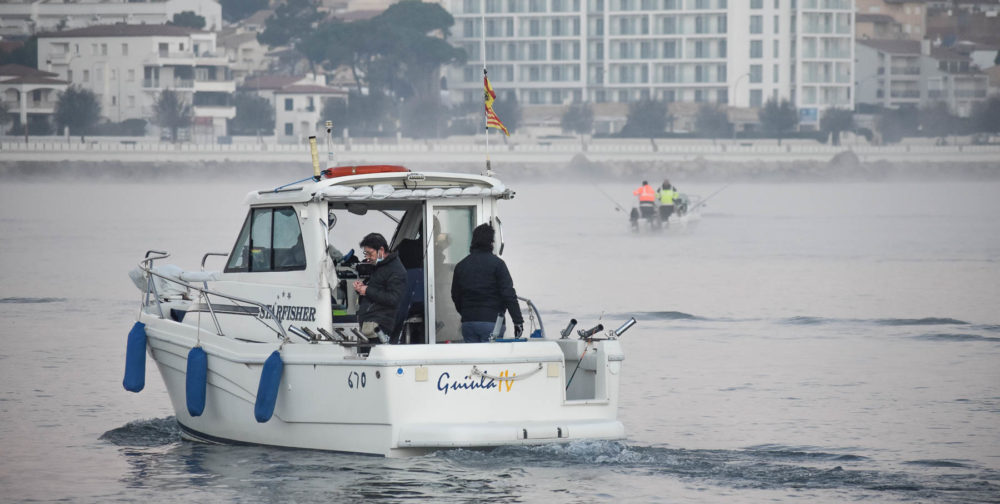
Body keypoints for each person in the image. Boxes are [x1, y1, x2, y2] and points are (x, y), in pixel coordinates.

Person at [450, 223, 524, 343]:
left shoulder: (461, 266)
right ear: (491, 242)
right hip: (492, 323)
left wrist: (466, 312)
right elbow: (508, 294)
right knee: (490, 359)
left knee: (473, 359)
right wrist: (518, 321)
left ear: (473, 241)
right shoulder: (498, 265)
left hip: (468, 323)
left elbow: (455, 295)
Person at [352, 233, 406, 342]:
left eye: (370, 253)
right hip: (370, 325)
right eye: (365, 254)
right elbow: (378, 290)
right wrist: (362, 289)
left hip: (380, 328)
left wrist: (367, 290)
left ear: (381, 250)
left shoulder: (396, 270)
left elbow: (393, 298)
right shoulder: (380, 267)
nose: (367, 258)